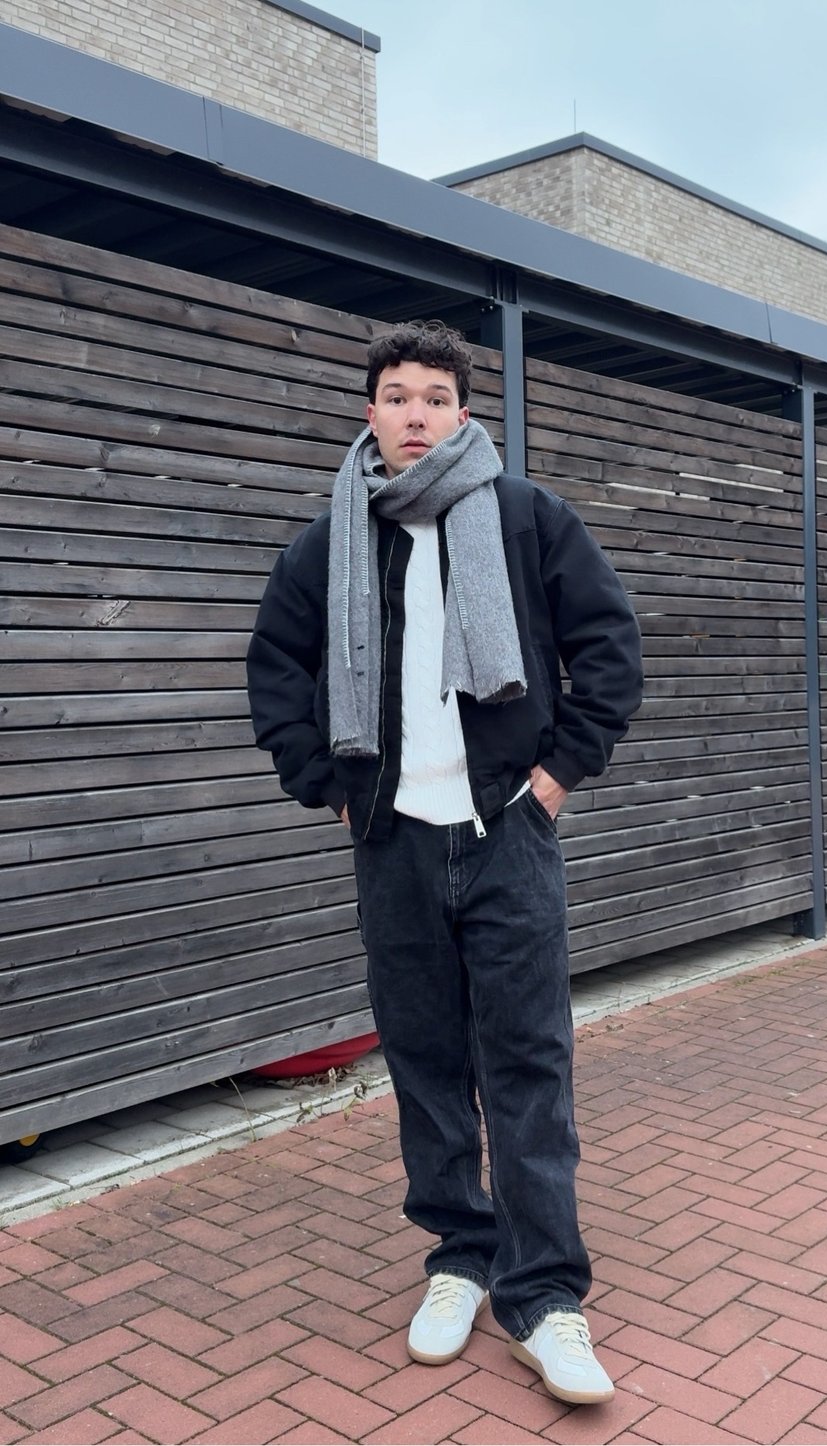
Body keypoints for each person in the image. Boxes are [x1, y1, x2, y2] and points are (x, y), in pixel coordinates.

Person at [246, 320, 643, 1405]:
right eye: (396, 396)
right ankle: (459, 1259)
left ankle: (544, 1296)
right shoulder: (332, 539)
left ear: (463, 414)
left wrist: (558, 775)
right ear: (369, 412)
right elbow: (275, 663)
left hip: (506, 831)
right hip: (393, 842)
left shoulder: (524, 516)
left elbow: (609, 646)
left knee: (526, 1063)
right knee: (424, 1061)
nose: (415, 414)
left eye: (434, 397)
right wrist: (327, 783)